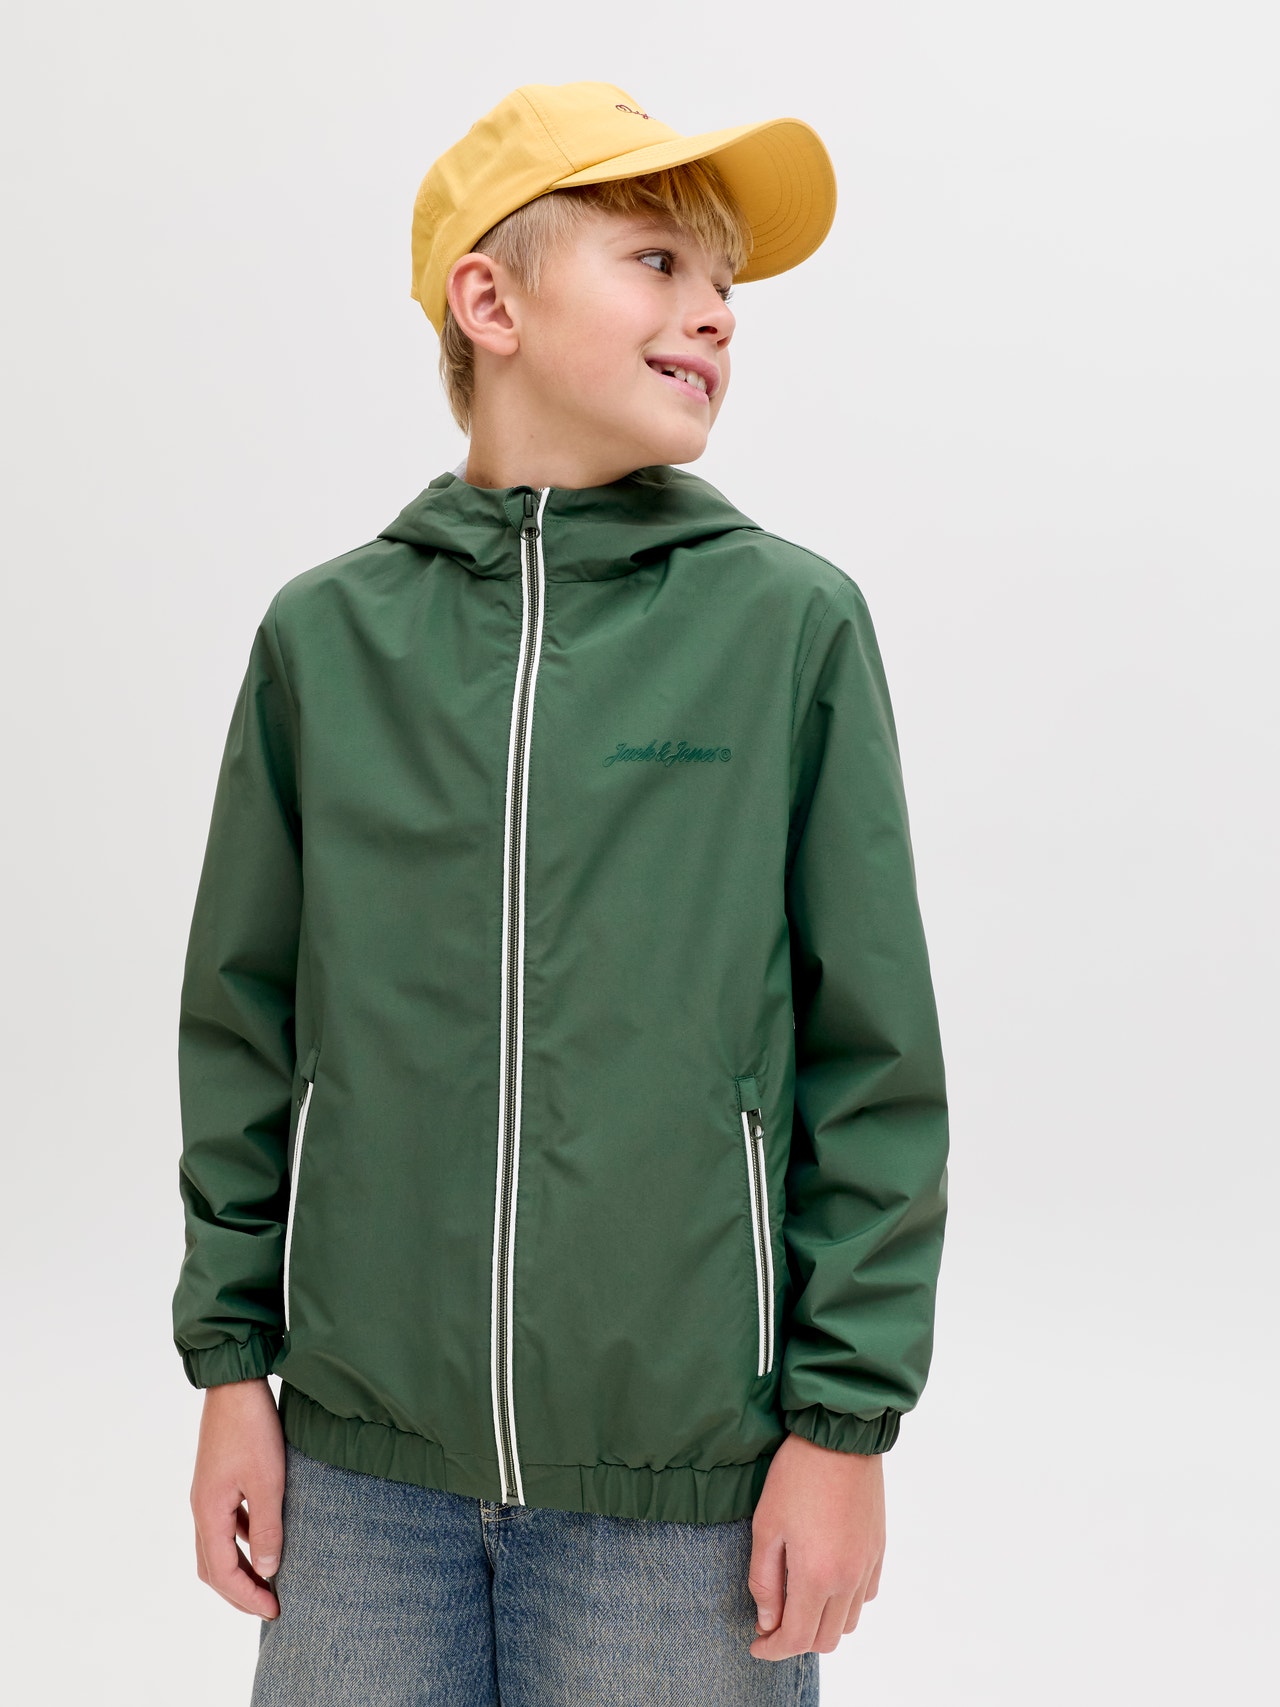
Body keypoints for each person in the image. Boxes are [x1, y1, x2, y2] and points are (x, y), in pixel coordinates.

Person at [172, 79, 950, 1705]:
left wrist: (843, 1429)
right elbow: (242, 1033)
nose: (716, 312)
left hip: (681, 1491)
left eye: (724, 284)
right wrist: (233, 1373)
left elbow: (871, 1062)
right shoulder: (328, 642)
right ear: (490, 301)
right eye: (660, 263)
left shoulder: (787, 629)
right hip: (360, 1477)